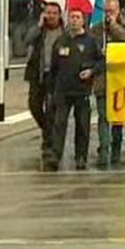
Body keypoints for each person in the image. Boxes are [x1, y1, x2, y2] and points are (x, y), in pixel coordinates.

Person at [46, 9, 104, 171]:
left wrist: (91, 72)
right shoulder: (61, 41)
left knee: (82, 125)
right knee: (59, 124)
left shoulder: (90, 41)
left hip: (82, 91)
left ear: (83, 21)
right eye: (72, 17)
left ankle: (81, 157)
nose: (74, 20)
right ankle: (55, 156)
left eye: (77, 17)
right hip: (63, 90)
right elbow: (54, 67)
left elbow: (101, 62)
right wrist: (51, 89)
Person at [92, 0, 125, 167]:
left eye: (112, 11)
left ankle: (116, 150)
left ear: (118, 11)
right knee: (103, 117)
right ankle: (104, 150)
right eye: (106, 11)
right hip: (102, 78)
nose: (109, 14)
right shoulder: (97, 30)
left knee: (118, 119)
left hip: (120, 79)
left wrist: (114, 27)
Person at [24, 2, 64, 160]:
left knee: (51, 109)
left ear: (59, 15)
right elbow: (26, 40)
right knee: (34, 104)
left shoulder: (64, 32)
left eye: (54, 13)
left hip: (56, 76)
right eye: (48, 13)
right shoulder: (40, 30)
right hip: (38, 74)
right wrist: (39, 26)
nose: (51, 16)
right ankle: (48, 131)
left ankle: (48, 141)